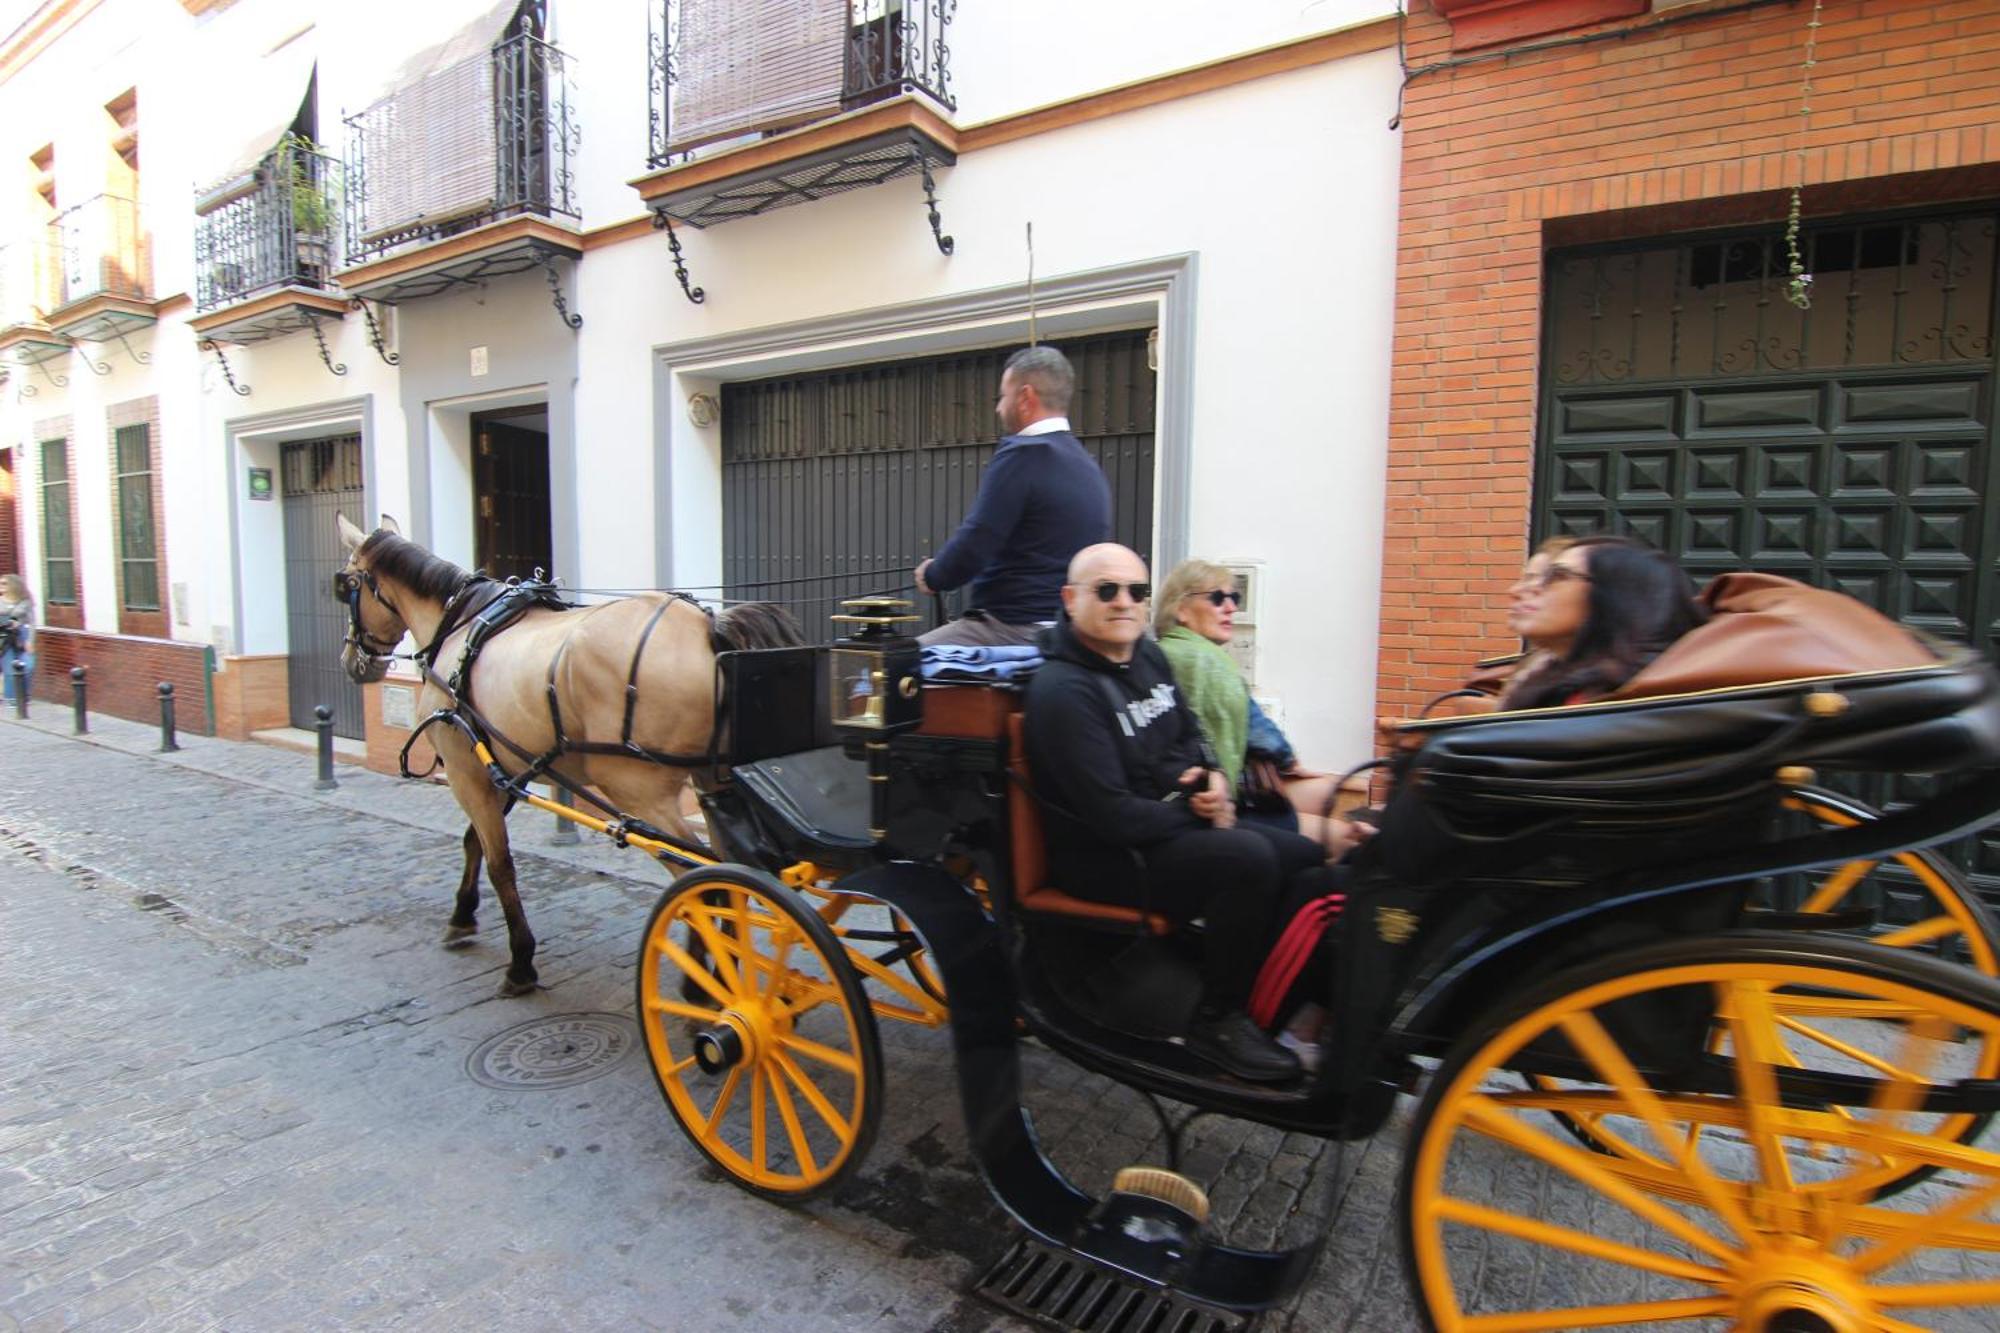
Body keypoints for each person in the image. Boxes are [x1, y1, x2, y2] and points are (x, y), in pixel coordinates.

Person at [1024, 543, 1322, 1083]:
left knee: (1305, 854)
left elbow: (1191, 737)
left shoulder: (1148, 656)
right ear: (1071, 599)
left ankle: (1265, 994)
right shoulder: (1063, 692)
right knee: (1249, 858)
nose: (1124, 603)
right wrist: (1199, 809)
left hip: (1160, 829)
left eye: (1136, 591)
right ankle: (1216, 1021)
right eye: (1106, 590)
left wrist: (1209, 778)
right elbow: (1112, 815)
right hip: (1106, 858)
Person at [1152, 559, 1361, 854]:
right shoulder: (1208, 661)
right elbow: (1257, 728)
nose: (1231, 608)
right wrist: (1288, 761)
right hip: (1221, 801)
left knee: (1331, 795)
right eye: (1217, 598)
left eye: (1234, 598)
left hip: (1208, 792)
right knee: (1345, 832)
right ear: (1181, 609)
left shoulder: (1161, 653)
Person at [915, 346, 1111, 647]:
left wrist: (934, 575)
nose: (998, 408)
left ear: (1025, 397)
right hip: (1067, 629)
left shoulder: (1022, 454)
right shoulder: (1088, 466)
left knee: (893, 670)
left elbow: (978, 539)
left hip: (1012, 627)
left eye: (1002, 397)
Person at [1499, 534, 1706, 710]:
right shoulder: (1554, 678)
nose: (1516, 591)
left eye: (1558, 576)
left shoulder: (1614, 702)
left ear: (1619, 597)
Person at [0, 574, 35, 708]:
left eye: (4, 583)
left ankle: (24, 694)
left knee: (29, 665)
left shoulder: (26, 601)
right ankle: (11, 697)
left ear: (13, 585)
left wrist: (30, 641)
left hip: (23, 635)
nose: (1, 586)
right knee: (9, 669)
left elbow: (32, 622)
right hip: (4, 637)